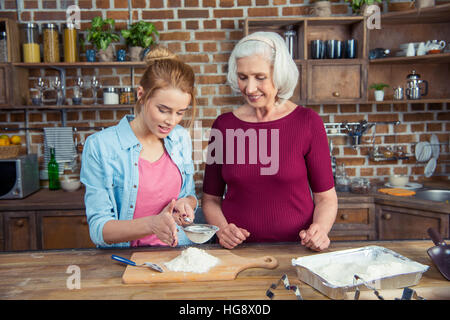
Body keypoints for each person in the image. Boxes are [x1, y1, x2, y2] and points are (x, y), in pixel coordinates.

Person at [202, 32, 338, 251]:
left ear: (280, 74)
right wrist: (221, 230)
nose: (250, 88)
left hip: (295, 249)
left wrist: (320, 230)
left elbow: (326, 198)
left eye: (260, 77)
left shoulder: (308, 122)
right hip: (236, 252)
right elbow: (210, 199)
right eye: (243, 77)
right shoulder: (224, 126)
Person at [80, 46, 198, 248]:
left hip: (177, 254)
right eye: (163, 110)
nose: (171, 121)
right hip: (126, 262)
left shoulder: (179, 138)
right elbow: (99, 230)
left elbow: (189, 194)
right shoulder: (101, 146)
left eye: (180, 112)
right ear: (141, 95)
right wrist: (152, 224)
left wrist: (186, 204)